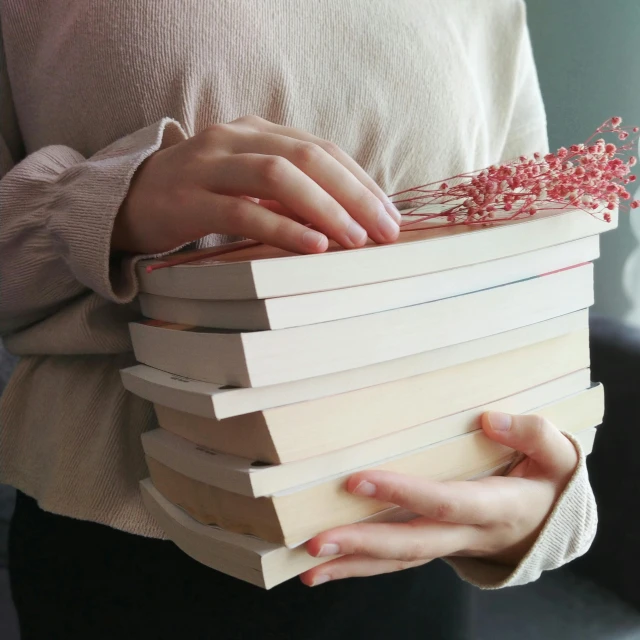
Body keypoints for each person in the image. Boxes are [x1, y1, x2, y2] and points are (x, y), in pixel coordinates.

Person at [0, 1, 597, 638]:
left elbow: (530, 269)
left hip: (416, 551)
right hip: (131, 556)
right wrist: (105, 207)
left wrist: (549, 505)